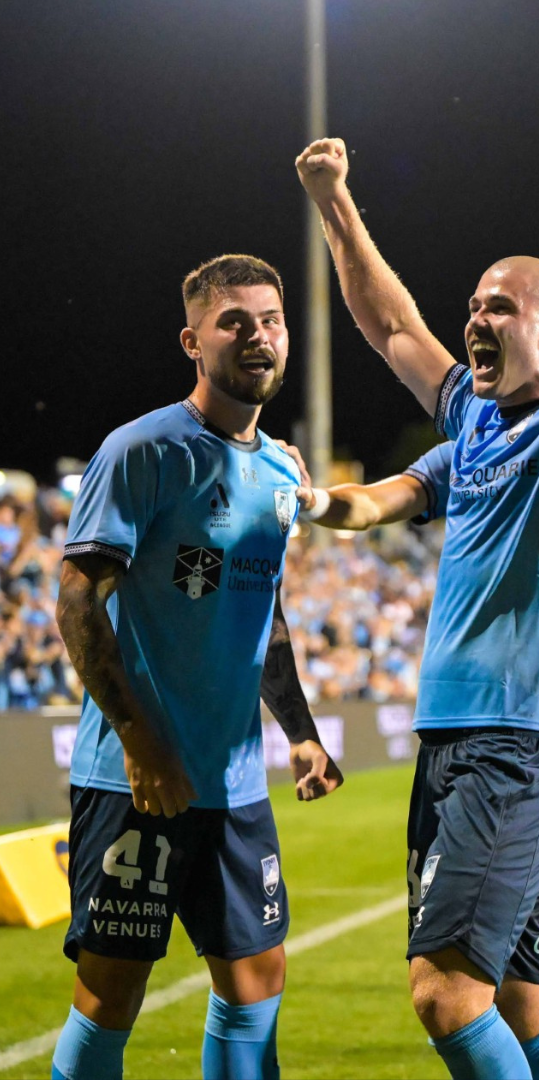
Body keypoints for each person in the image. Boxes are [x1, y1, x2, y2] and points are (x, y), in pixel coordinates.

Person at [296, 74, 539, 1080]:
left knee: (445, 993)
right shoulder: (471, 425)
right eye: (472, 305)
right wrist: (335, 202)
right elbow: (390, 327)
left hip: (523, 738)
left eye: (500, 307)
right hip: (451, 734)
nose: (475, 318)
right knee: (514, 995)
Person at [51, 254, 343, 1080]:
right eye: (234, 322)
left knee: (257, 979)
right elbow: (76, 603)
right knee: (111, 992)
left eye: (271, 320)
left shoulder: (282, 470)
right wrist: (142, 744)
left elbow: (263, 612)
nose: (258, 337)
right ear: (193, 341)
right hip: (135, 780)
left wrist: (301, 732)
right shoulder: (143, 450)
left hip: (235, 784)